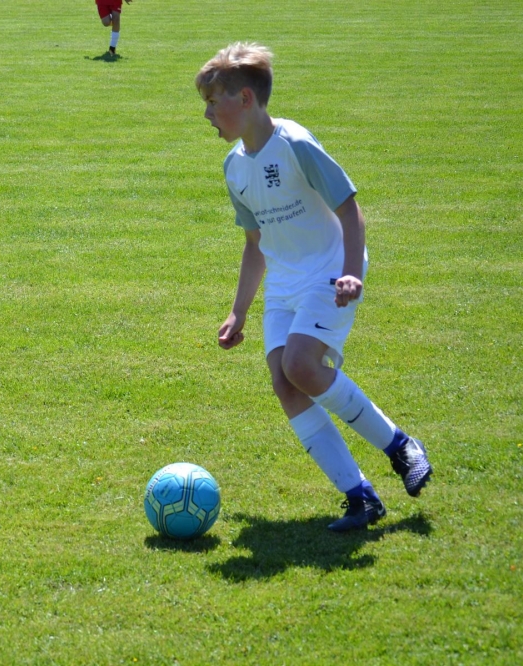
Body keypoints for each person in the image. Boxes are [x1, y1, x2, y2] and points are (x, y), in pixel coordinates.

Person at [195, 43, 433, 532]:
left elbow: (349, 208)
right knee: (285, 382)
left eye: (213, 102)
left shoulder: (295, 143)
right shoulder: (234, 167)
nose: (207, 114)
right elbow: (255, 243)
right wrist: (239, 311)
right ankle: (360, 497)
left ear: (245, 99)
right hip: (285, 280)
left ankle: (401, 446)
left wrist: (351, 271)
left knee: (302, 364)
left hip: (329, 268)